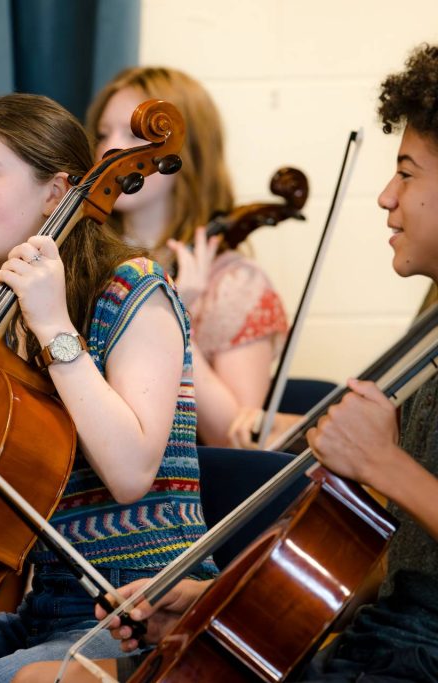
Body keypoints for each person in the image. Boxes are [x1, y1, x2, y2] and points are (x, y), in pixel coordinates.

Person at [88, 43, 438, 683]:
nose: (386, 196)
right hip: (377, 641)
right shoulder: (427, 343)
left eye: (408, 173)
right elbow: (397, 570)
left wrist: (383, 464)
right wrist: (215, 602)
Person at [0, 93, 217, 682]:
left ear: (57, 191)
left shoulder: (133, 289)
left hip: (139, 610)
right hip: (41, 607)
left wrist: (54, 328)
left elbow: (130, 471)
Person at [86, 67, 290, 448]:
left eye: (134, 134)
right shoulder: (86, 260)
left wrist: (174, 316)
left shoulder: (235, 286)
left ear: (186, 151)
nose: (110, 150)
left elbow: (237, 440)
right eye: (103, 134)